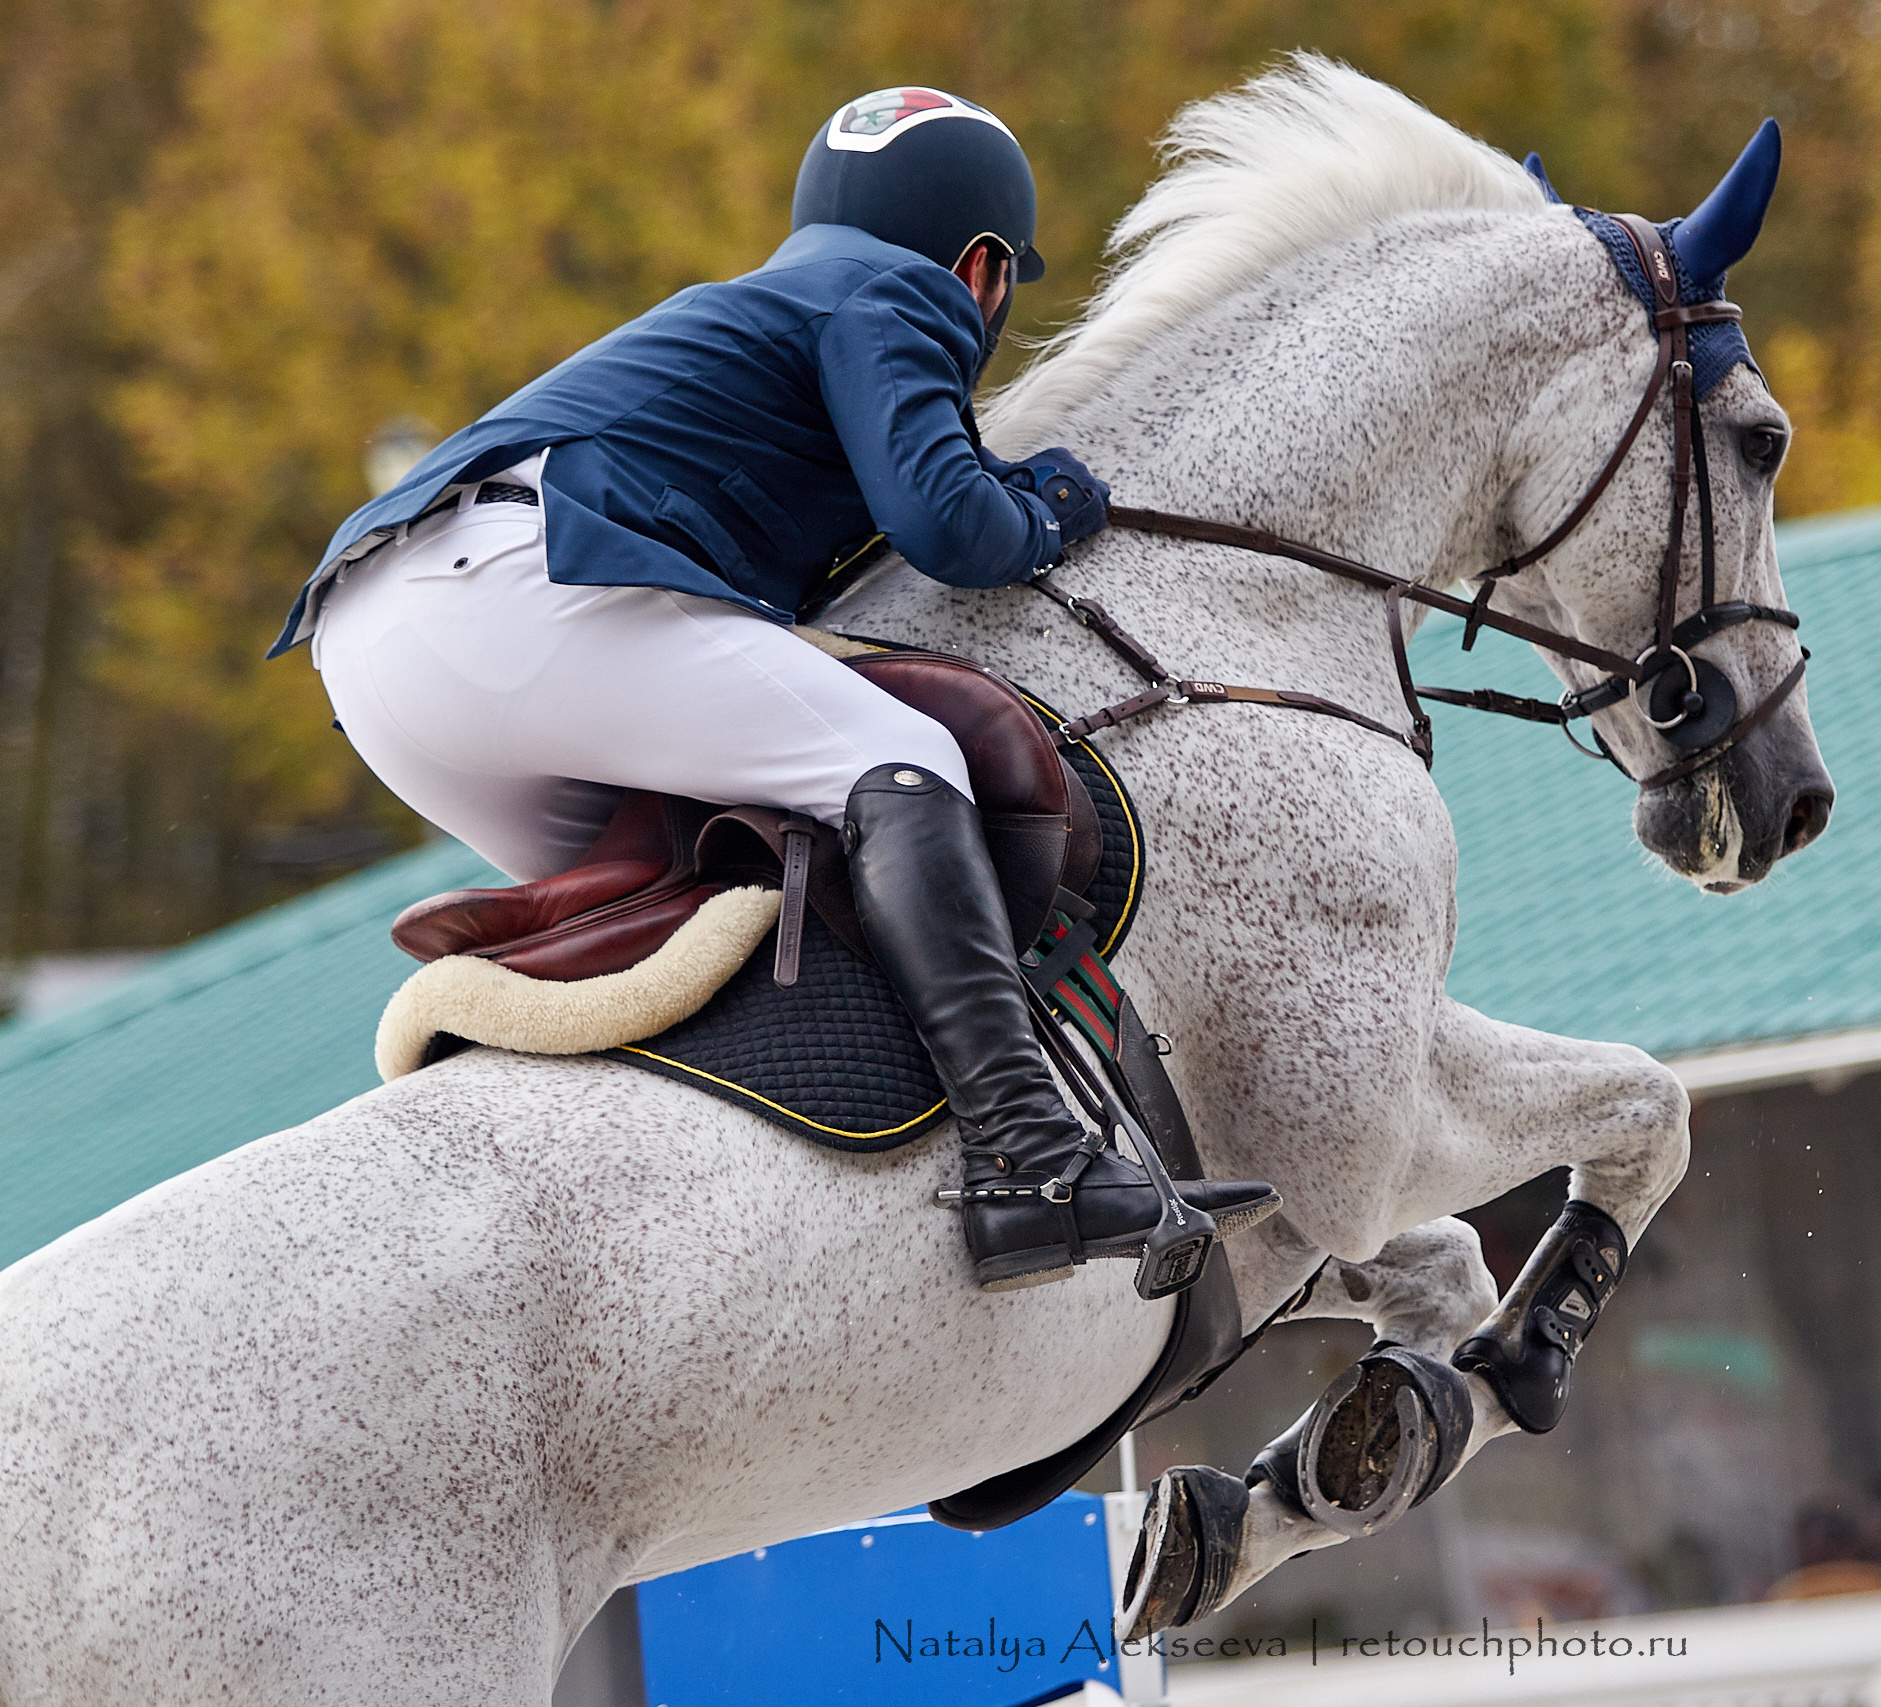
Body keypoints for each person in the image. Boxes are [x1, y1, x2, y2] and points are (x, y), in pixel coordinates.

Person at [271, 86, 1274, 1295]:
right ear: (981, 266)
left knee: (682, 891)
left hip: (380, 647)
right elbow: (948, 526)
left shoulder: (780, 302)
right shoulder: (894, 289)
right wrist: (1055, 503)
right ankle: (1027, 1161)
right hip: (513, 597)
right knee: (903, 769)